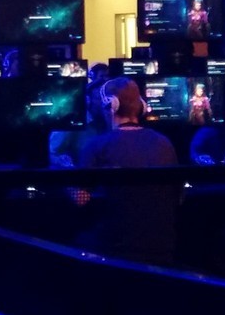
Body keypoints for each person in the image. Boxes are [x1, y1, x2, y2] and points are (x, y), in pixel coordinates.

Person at [76, 78, 179, 263]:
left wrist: (64, 174)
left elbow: (80, 199)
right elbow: (177, 196)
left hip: (113, 250)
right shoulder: (164, 143)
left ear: (111, 105)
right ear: (141, 105)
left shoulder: (97, 145)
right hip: (162, 248)